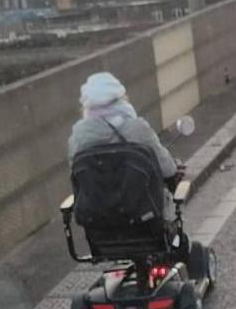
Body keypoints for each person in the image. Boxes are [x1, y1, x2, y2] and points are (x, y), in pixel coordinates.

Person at [68, 72, 179, 220]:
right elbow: (168, 169)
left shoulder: (78, 136)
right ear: (121, 99)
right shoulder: (138, 129)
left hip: (99, 224)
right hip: (144, 219)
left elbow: (78, 178)